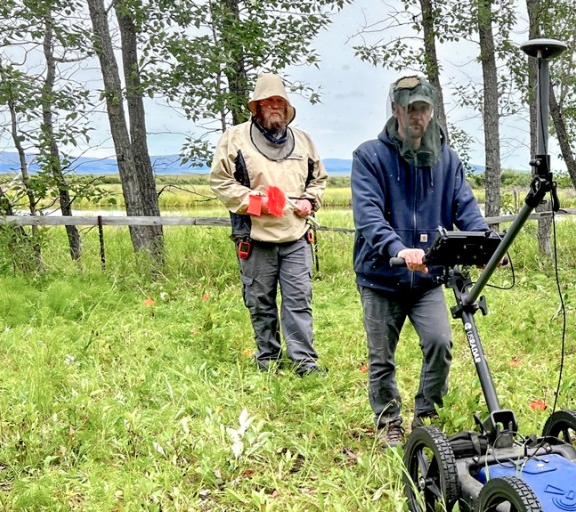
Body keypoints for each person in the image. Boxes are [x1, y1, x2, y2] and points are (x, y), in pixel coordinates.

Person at [352, 73, 489, 447]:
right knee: (382, 357)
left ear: (432, 111)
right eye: (411, 108)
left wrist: (485, 246)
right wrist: (397, 248)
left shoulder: (447, 160)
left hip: (427, 279)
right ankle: (388, 421)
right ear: (396, 109)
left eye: (424, 109)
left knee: (440, 343)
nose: (418, 116)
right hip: (382, 276)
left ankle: (426, 414)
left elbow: (465, 208)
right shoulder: (370, 156)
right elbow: (368, 215)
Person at [210, 73, 329, 376]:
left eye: (280, 101)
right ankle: (268, 360)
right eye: (269, 101)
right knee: (260, 302)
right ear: (257, 106)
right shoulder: (234, 138)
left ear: (286, 107)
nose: (275, 106)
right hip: (255, 238)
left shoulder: (304, 141)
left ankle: (304, 363)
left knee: (298, 301)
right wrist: (257, 203)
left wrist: (310, 201)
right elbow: (221, 182)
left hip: (296, 236)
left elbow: (318, 180)